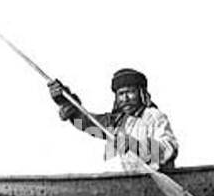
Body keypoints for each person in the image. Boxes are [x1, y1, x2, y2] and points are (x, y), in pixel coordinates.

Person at [46, 68, 180, 171]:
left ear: (141, 94)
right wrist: (65, 101)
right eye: (121, 94)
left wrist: (135, 144)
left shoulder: (154, 116)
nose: (125, 98)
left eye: (130, 92)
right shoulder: (117, 121)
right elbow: (88, 125)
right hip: (132, 182)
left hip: (159, 179)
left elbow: (169, 148)